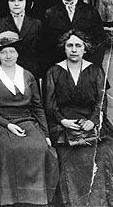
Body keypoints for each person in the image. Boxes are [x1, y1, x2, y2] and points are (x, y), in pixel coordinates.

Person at [0, 31, 59, 206]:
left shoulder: (27, 75)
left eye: (12, 51)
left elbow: (37, 107)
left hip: (26, 119)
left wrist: (45, 134)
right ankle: (9, 199)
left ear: (17, 53)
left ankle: (36, 198)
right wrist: (8, 125)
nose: (8, 56)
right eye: (3, 52)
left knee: (40, 148)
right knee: (8, 150)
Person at [45, 29, 113, 207]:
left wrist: (93, 120)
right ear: (64, 49)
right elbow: (50, 104)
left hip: (91, 122)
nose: (74, 49)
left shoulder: (95, 71)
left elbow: (101, 102)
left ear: (85, 49)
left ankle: (99, 203)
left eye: (78, 45)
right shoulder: (54, 71)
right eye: (70, 46)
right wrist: (62, 121)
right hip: (64, 124)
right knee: (69, 156)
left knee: (103, 152)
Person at [43, 0, 105, 68]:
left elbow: (99, 42)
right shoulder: (51, 13)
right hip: (59, 68)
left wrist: (91, 66)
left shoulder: (90, 11)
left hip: (86, 67)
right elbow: (46, 45)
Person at [0, 0, 43, 77]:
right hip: (7, 70)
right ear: (7, 2)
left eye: (20, 0)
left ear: (27, 2)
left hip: (31, 71)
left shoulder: (36, 23)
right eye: (12, 0)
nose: (16, 4)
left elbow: (40, 51)